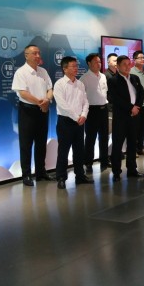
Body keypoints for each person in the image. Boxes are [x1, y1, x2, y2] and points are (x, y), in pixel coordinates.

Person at [11, 44, 54, 187]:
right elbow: (22, 93)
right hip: (28, 111)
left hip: (43, 110)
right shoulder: (21, 72)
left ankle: (41, 172)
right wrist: (40, 102)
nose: (37, 56)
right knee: (26, 144)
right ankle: (26, 175)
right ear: (26, 55)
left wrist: (47, 100)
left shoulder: (43, 71)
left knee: (41, 143)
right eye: (34, 53)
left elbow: (50, 89)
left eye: (38, 53)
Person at [53, 56, 91, 189]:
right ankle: (61, 177)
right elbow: (63, 105)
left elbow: (85, 101)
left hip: (80, 121)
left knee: (79, 150)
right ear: (64, 69)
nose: (76, 68)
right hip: (66, 122)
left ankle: (80, 175)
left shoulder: (80, 84)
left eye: (76, 66)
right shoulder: (59, 84)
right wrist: (77, 117)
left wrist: (84, 115)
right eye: (73, 66)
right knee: (63, 151)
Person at [107, 55, 144, 182]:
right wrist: (130, 108)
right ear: (117, 66)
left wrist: (137, 107)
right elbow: (115, 99)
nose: (127, 66)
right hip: (121, 118)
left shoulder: (135, 78)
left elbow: (141, 93)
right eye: (124, 64)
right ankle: (116, 172)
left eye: (129, 64)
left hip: (134, 116)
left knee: (132, 144)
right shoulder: (113, 80)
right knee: (117, 145)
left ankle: (132, 169)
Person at [80, 53, 109, 173]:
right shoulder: (84, 78)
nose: (99, 64)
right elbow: (81, 98)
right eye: (96, 62)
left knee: (104, 137)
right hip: (92, 111)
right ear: (89, 63)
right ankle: (88, 163)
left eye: (99, 61)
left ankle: (104, 161)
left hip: (104, 109)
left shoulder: (103, 76)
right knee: (90, 138)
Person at [130, 51, 144, 157]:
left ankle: (140, 148)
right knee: (134, 129)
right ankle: (132, 149)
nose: (142, 59)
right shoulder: (131, 72)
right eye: (140, 58)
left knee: (143, 128)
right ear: (134, 60)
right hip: (135, 105)